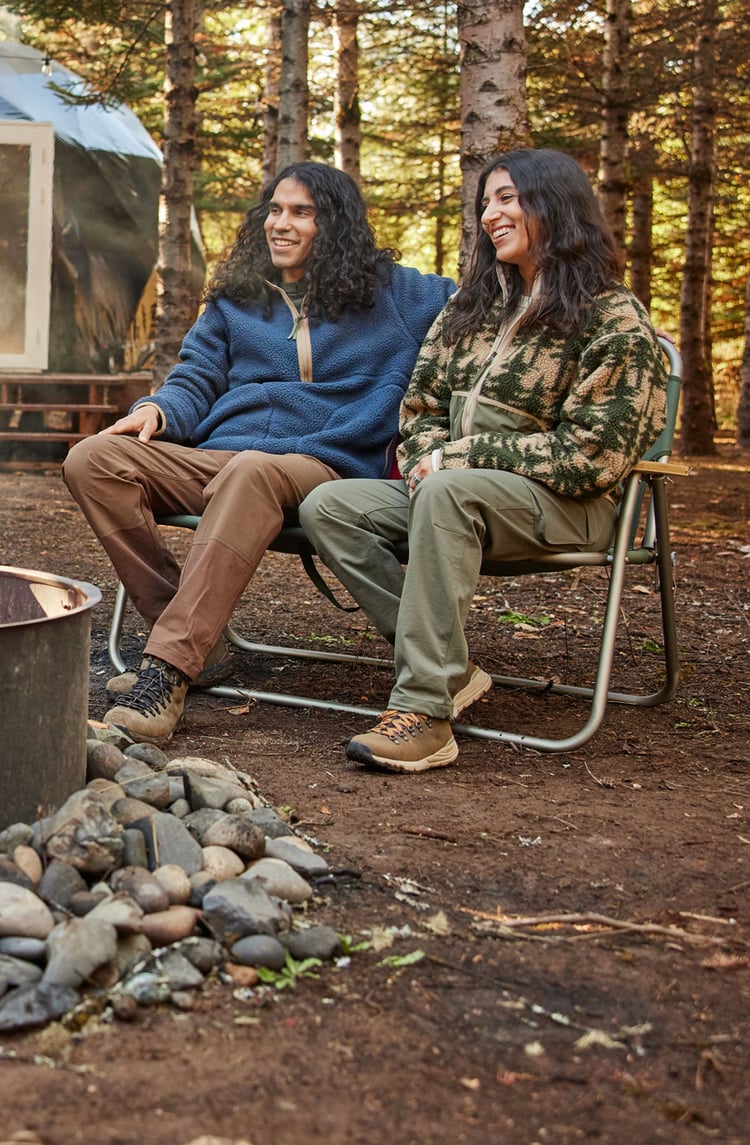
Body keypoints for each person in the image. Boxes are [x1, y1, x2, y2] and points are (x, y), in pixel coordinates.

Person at [299, 147, 669, 774]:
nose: (490, 215)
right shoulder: (470, 306)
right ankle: (453, 668)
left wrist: (460, 457)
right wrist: (423, 456)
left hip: (572, 505)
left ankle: (424, 713)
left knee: (449, 492)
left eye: (507, 198)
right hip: (459, 493)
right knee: (329, 505)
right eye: (486, 202)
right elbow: (419, 408)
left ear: (554, 205)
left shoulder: (612, 317)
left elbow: (592, 457)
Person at [62, 161, 454, 744]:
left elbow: (488, 304)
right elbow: (194, 376)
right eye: (274, 209)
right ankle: (199, 641)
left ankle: (166, 670)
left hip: (323, 465)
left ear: (337, 224)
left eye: (301, 212)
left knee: (251, 470)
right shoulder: (236, 300)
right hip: (226, 458)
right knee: (92, 459)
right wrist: (158, 411)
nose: (281, 223)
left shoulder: (394, 294)